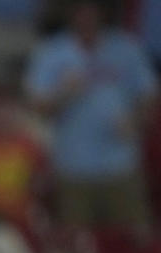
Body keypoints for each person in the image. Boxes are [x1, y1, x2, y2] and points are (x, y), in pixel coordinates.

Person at [24, 0, 158, 232]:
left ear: (102, 13)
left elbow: (150, 95)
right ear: (70, 14)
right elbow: (37, 108)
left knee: (136, 238)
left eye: (91, 10)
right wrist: (64, 93)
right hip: (73, 169)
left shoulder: (125, 48)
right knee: (79, 245)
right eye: (80, 11)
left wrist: (136, 120)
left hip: (121, 166)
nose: (86, 17)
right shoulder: (52, 52)